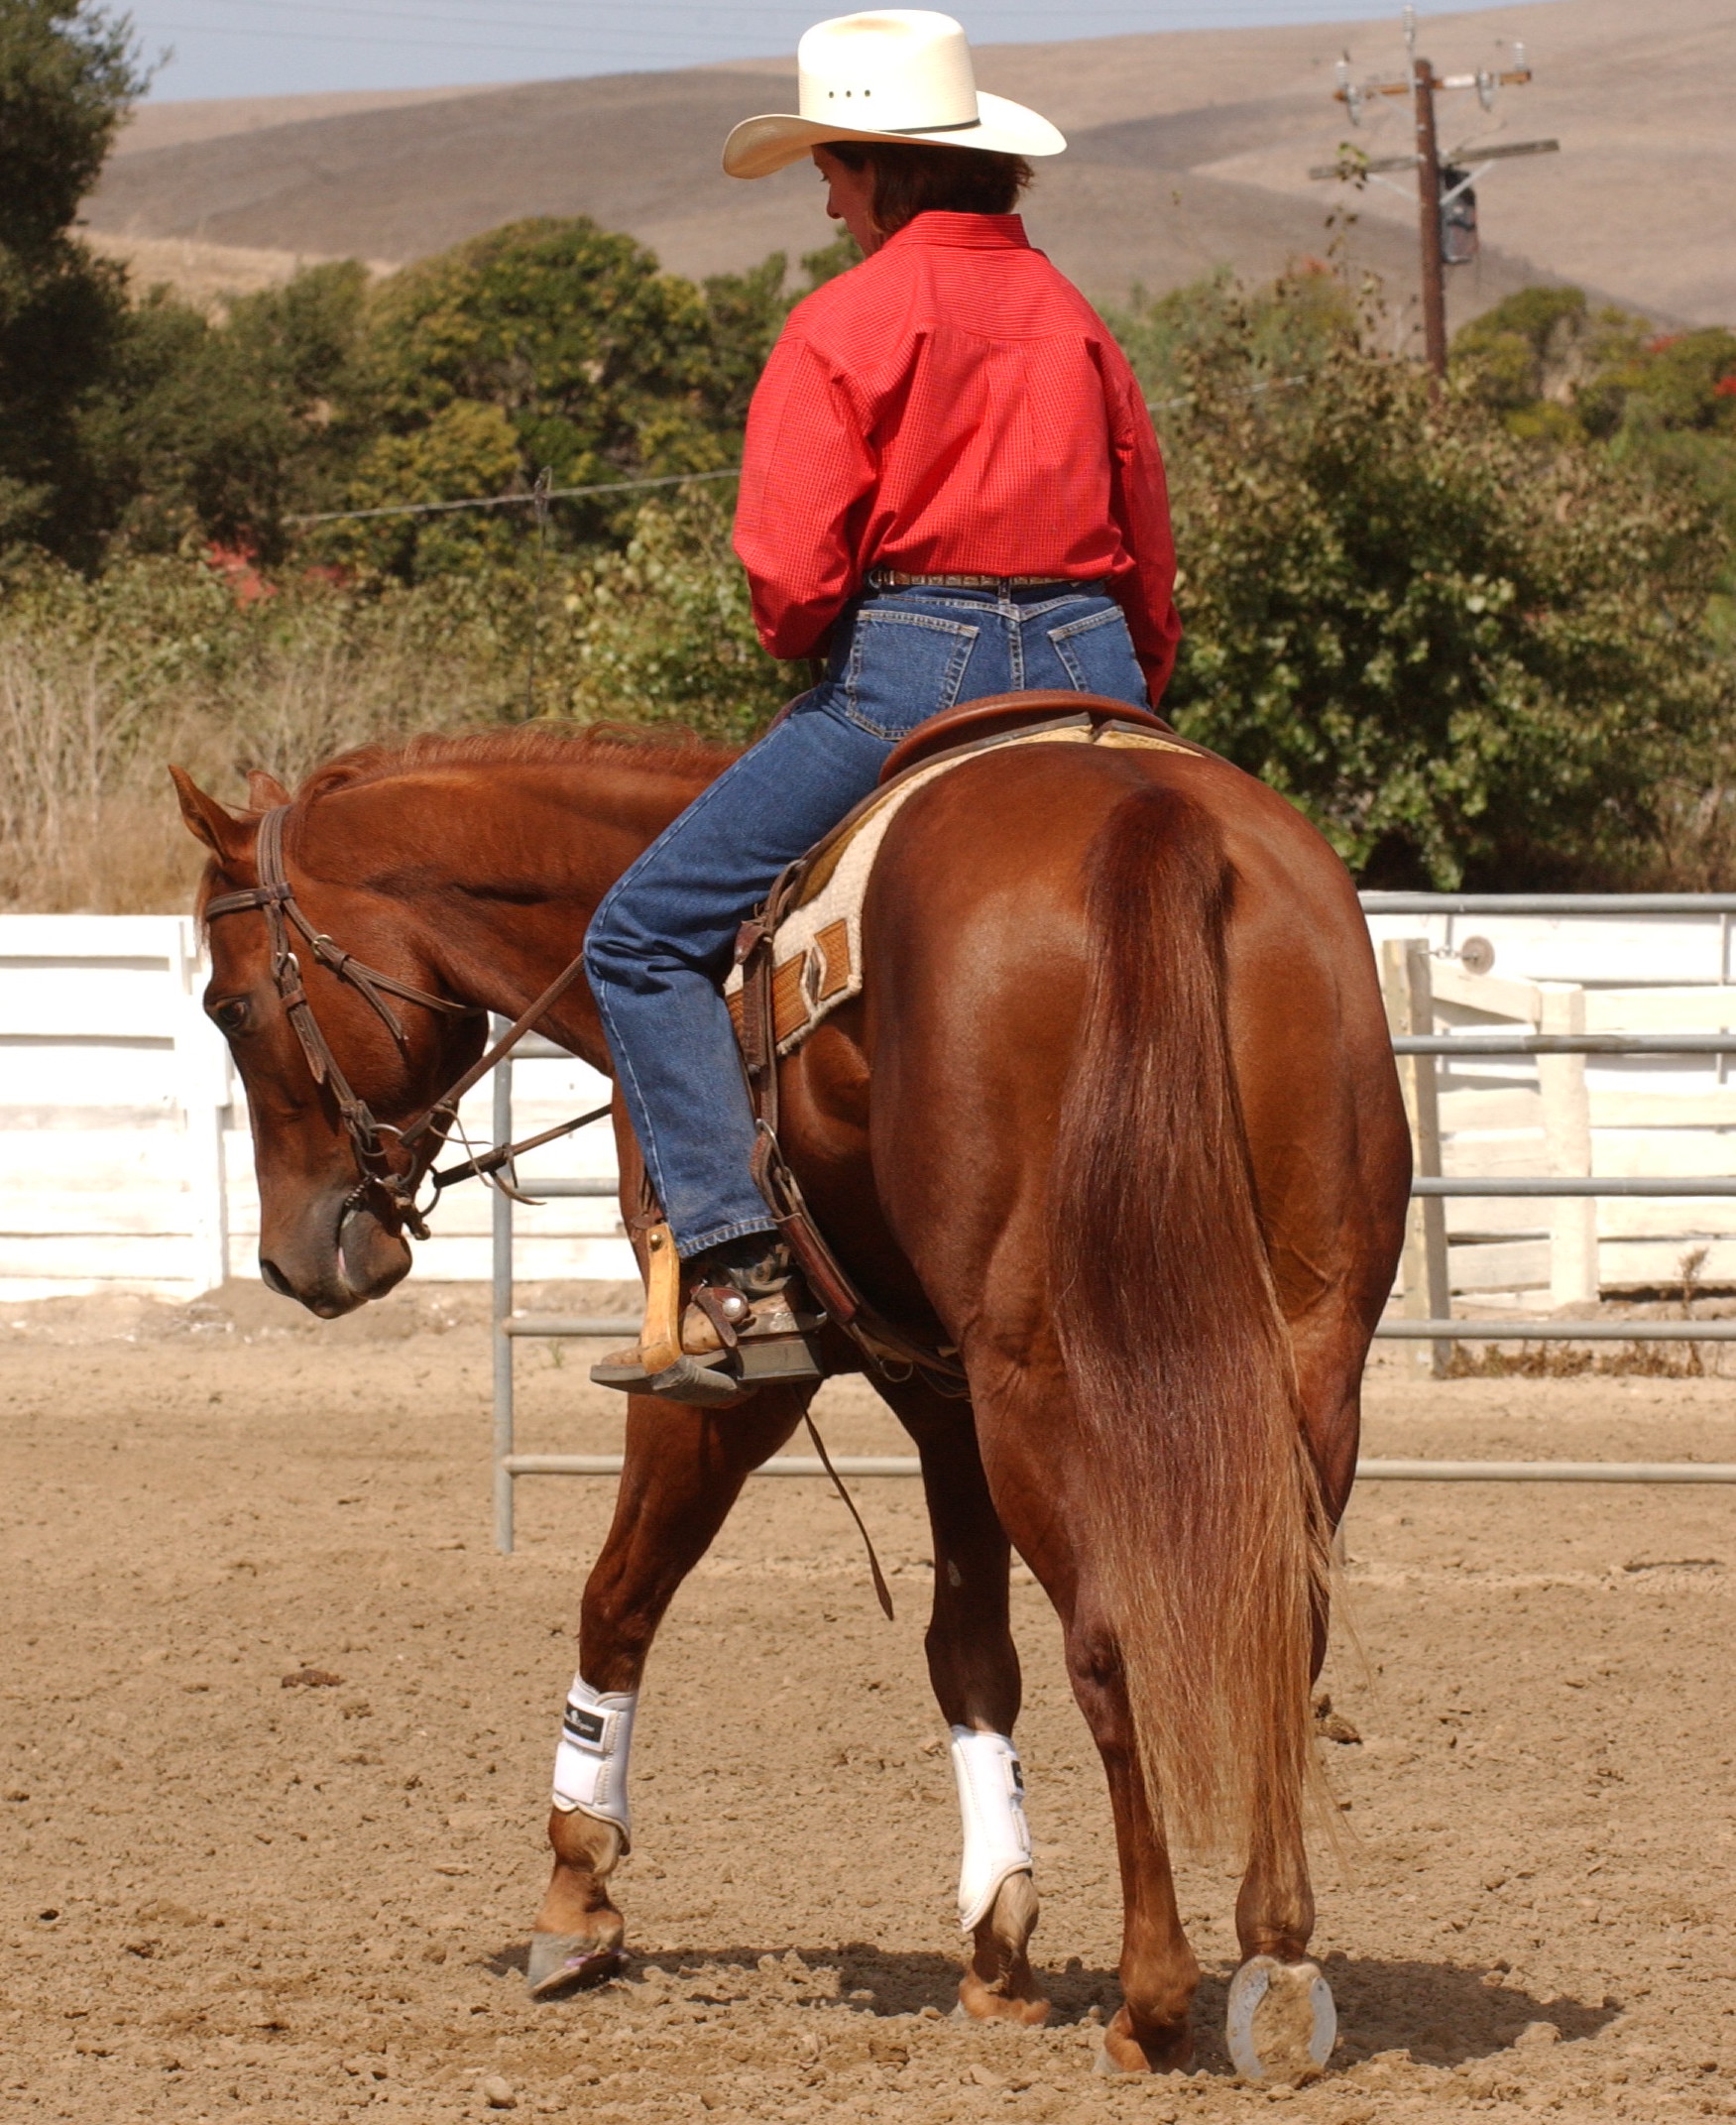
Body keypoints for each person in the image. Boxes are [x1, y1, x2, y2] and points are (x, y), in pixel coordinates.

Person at [584, 8, 1180, 1403]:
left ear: (882, 169)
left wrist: (819, 639)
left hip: (915, 663)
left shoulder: (844, 321)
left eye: (836, 175)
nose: (831, 202)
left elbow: (791, 580)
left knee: (642, 938)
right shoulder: (1076, 317)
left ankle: (739, 1270)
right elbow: (1147, 549)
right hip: (1096, 665)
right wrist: (1131, 687)